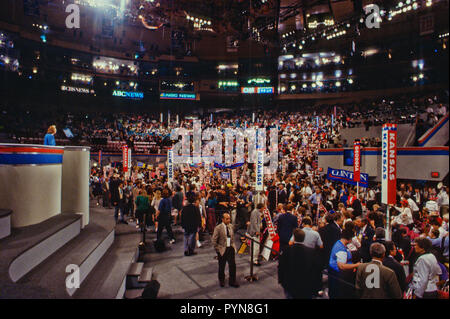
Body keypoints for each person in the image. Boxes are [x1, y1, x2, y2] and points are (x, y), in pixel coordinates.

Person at [278, 228, 318, 299]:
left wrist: (281, 280)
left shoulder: (286, 250)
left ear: (294, 237)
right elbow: (315, 270)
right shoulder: (311, 252)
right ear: (304, 238)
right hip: (305, 285)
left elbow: (281, 266)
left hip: (289, 283)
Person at [328, 228, 360, 299]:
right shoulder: (340, 249)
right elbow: (341, 266)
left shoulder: (339, 243)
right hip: (338, 277)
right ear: (349, 239)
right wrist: (356, 265)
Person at [211, 213, 239, 288]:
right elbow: (214, 240)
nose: (229, 220)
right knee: (221, 266)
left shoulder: (231, 226)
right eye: (227, 219)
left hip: (230, 248)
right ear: (222, 219)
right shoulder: (218, 228)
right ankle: (221, 280)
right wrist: (218, 250)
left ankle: (232, 281)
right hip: (222, 249)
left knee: (232, 266)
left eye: (229, 218)